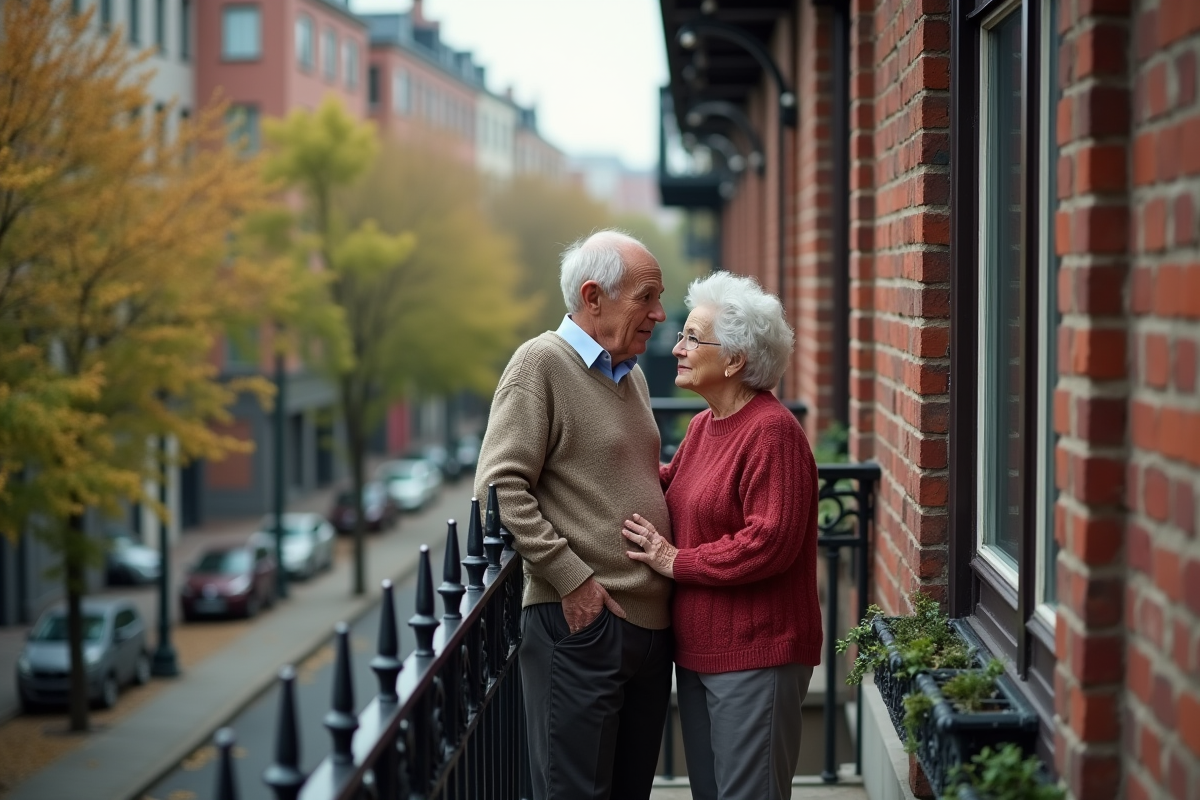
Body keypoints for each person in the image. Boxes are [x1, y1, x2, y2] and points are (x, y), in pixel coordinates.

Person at [474, 229, 673, 800]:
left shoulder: (629, 373)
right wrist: (572, 578)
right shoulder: (540, 363)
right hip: (585, 625)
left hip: (651, 631)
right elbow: (498, 487)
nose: (660, 314)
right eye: (647, 297)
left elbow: (618, 474)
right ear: (593, 296)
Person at [622, 271, 823, 800]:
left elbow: (769, 541)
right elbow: (666, 488)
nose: (678, 347)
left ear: (734, 359)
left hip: (758, 653)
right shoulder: (704, 427)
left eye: (692, 337)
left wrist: (675, 560)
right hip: (697, 653)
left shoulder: (772, 432)